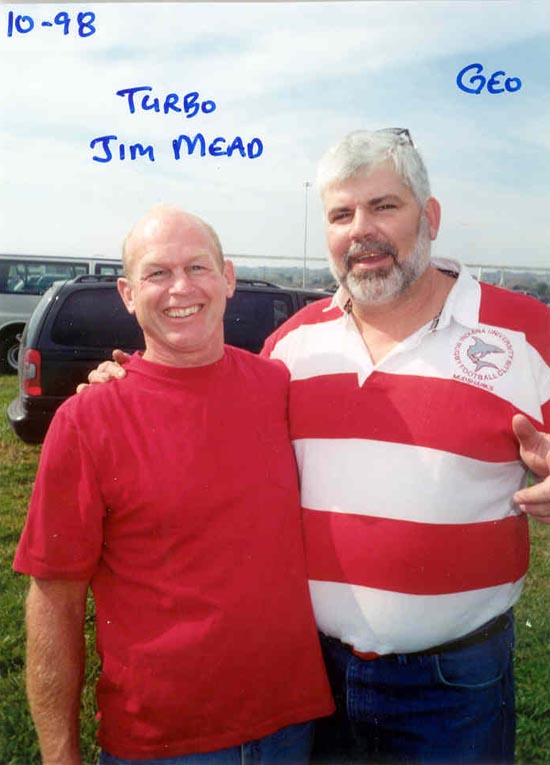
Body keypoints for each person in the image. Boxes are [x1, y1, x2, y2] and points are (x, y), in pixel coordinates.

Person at [85, 131, 550, 765]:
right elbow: (205, 404)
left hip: (454, 686)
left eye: (384, 206)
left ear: (430, 216)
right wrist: (126, 383)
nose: (362, 230)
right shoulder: (292, 346)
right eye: (340, 214)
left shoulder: (527, 331)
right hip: (315, 681)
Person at [13, 205, 334, 765]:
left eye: (197, 267)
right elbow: (54, 602)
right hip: (161, 744)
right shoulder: (87, 421)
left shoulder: (279, 387)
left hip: (291, 727)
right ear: (128, 293)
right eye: (157, 273)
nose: (180, 287)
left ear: (228, 278)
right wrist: (60, 756)